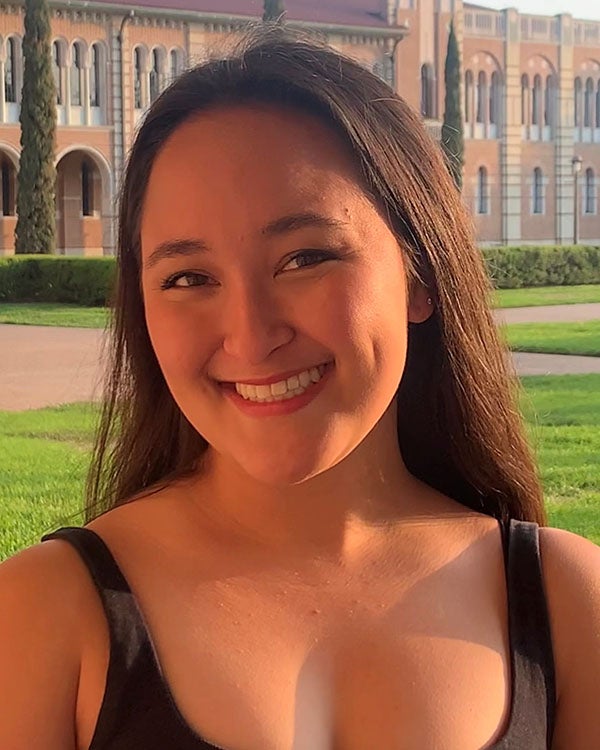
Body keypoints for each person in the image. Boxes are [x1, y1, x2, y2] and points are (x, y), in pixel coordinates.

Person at [1, 26, 598, 750]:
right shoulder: (42, 616)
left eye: (305, 257)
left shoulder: (570, 608)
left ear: (420, 273)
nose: (250, 336)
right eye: (189, 278)